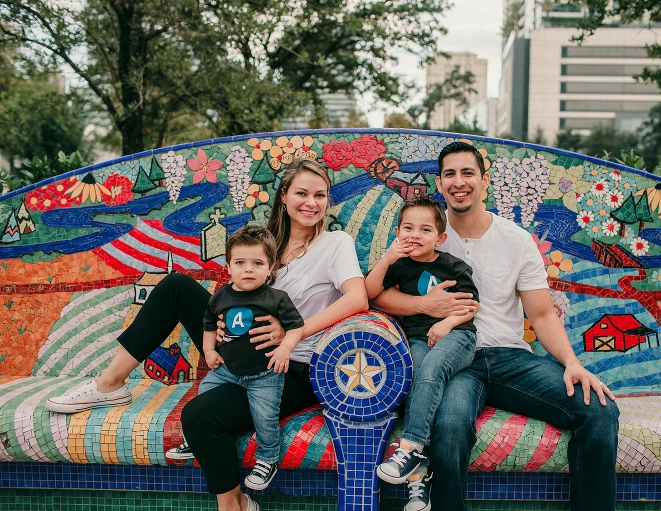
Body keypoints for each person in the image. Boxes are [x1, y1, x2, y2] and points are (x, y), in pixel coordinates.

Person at [46, 159, 369, 511]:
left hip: (289, 365)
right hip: (240, 348)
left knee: (199, 416)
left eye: (320, 195)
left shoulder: (335, 243)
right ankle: (110, 383)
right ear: (284, 197)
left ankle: (234, 505)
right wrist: (224, 324)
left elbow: (357, 297)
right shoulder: (266, 244)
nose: (311, 202)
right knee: (176, 286)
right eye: (302, 193)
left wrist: (292, 330)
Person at [371, 141, 620, 511]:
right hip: (457, 361)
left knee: (600, 410)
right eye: (450, 174)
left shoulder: (516, 240)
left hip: (510, 358)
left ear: (484, 180)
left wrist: (572, 363)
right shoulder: (423, 235)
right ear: (439, 184)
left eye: (467, 172)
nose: (459, 182)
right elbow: (377, 295)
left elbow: (542, 314)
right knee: (449, 429)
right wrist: (423, 304)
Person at [365, 197, 478, 493]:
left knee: (430, 368)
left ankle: (412, 445)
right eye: (408, 228)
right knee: (413, 376)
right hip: (417, 338)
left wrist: (445, 324)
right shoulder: (399, 266)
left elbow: (471, 306)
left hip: (457, 336)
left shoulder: (455, 266)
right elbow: (369, 292)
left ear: (440, 238)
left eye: (425, 230)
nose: (415, 235)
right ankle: (419, 473)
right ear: (397, 232)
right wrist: (387, 258)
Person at [199, 225, 304, 491]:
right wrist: (210, 351)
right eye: (240, 262)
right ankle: (197, 438)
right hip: (229, 370)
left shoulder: (276, 298)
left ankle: (268, 458)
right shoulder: (221, 295)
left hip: (265, 374)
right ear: (229, 266)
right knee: (205, 391)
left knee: (265, 416)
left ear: (270, 268)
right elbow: (209, 324)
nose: (248, 269)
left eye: (257, 263)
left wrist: (285, 348)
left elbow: (296, 326)